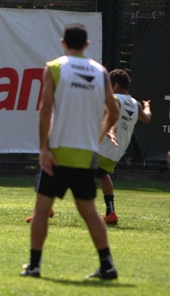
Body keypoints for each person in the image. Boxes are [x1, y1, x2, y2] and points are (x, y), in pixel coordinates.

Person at [20, 23, 120, 279]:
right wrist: (99, 134)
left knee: (42, 209)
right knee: (89, 212)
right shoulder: (101, 72)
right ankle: (107, 265)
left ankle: (34, 265)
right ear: (87, 45)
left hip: (58, 151)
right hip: (86, 152)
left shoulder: (54, 67)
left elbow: (45, 110)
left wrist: (43, 148)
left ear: (63, 43)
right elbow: (114, 111)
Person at [96, 69, 151, 225]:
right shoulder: (136, 104)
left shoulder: (113, 98)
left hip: (99, 148)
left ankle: (46, 207)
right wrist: (147, 105)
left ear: (116, 85)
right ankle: (110, 212)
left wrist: (110, 131)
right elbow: (146, 118)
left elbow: (112, 117)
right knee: (102, 174)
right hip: (115, 153)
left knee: (61, 167)